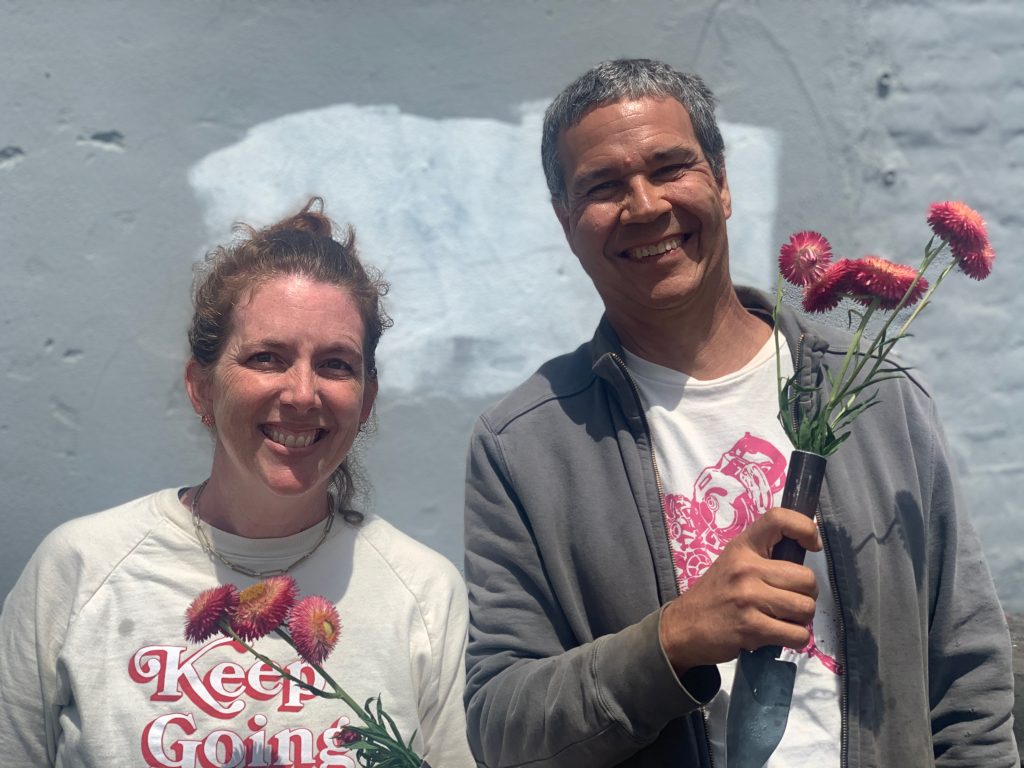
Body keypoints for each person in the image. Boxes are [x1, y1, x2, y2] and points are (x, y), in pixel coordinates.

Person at [463, 58, 1017, 767]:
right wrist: (672, 640)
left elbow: (968, 677)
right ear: (565, 221)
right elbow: (501, 729)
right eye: (603, 185)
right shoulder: (523, 447)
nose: (645, 205)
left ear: (722, 183)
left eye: (670, 168)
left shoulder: (877, 396)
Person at [0, 198, 475, 767]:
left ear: (366, 399)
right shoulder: (77, 570)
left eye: (335, 364)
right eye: (268, 358)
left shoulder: (424, 593)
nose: (303, 394)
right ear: (202, 387)